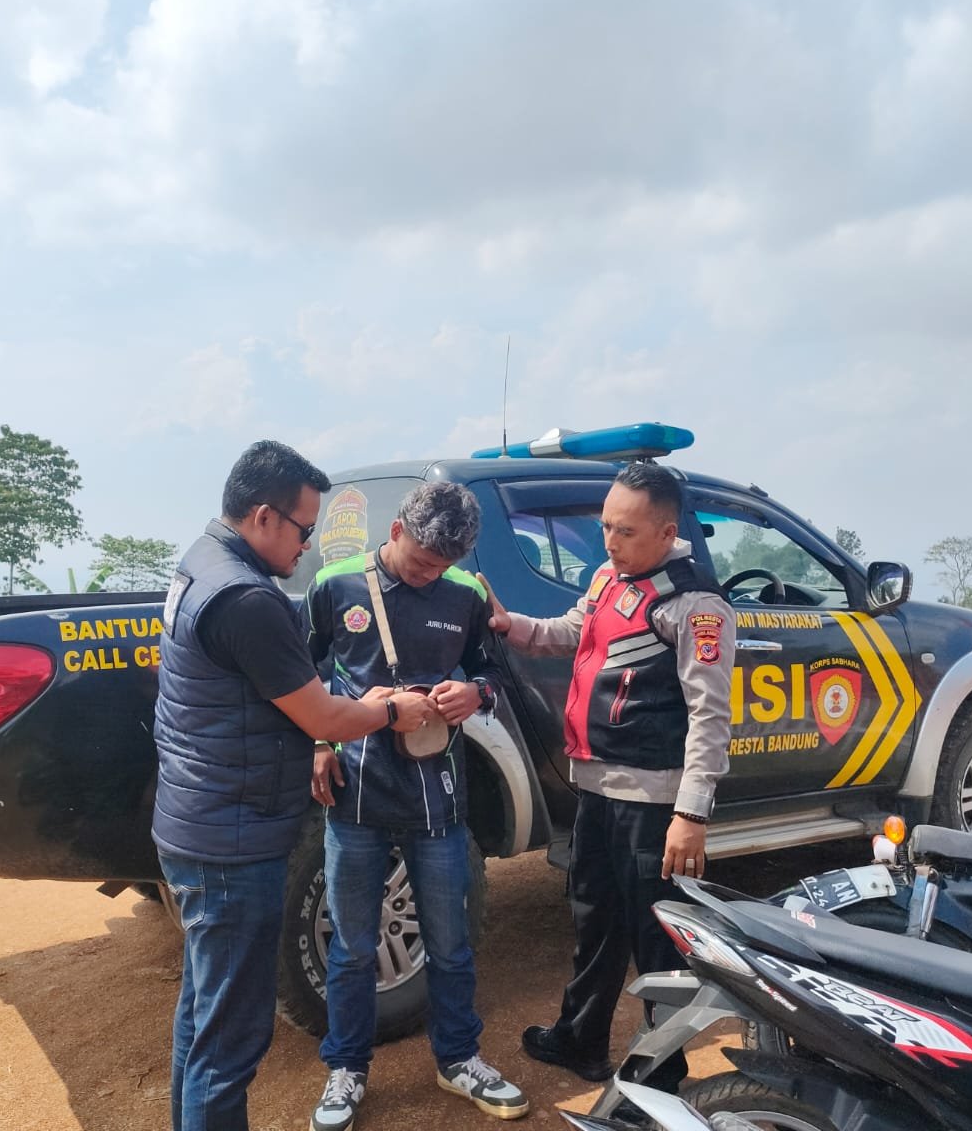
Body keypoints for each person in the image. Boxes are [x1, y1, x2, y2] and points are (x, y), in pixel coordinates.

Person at [152, 440, 435, 1131]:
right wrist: (389, 710)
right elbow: (323, 717)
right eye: (304, 529)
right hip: (232, 841)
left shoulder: (201, 561)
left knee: (202, 1017)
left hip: (195, 821)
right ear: (263, 516)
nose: (308, 546)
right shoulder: (246, 599)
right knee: (231, 1040)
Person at [480, 461, 734, 1098]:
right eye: (605, 527)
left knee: (657, 942)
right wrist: (514, 626)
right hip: (595, 789)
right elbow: (574, 631)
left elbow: (710, 716)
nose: (609, 542)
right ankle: (581, 1038)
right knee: (594, 920)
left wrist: (690, 814)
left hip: (654, 803)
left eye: (625, 531)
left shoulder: (695, 606)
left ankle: (661, 1080)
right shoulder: (608, 576)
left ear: (667, 532)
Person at [302, 482, 529, 1130]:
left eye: (444, 565)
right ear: (397, 531)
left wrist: (474, 694)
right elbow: (303, 673)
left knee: (450, 945)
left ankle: (458, 1058)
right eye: (423, 561)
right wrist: (319, 742)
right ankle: (346, 1068)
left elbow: (492, 671)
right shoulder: (335, 585)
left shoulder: (467, 594)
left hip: (438, 796)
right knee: (352, 947)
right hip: (356, 792)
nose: (432, 574)